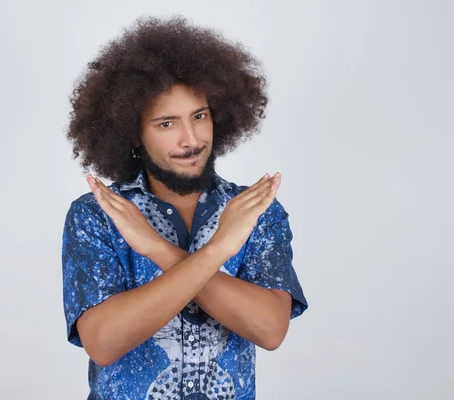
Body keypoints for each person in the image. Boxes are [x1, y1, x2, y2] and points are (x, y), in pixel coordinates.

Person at [62, 15, 308, 400]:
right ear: (134, 133)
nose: (190, 139)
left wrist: (158, 248)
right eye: (166, 124)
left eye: (199, 116)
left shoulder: (254, 211)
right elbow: (104, 343)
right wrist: (218, 251)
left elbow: (269, 329)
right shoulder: (98, 216)